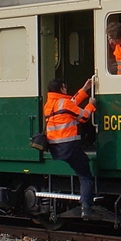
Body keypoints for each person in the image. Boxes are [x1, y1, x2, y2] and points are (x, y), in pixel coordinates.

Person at [43, 77, 97, 217]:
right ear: (61, 88)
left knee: (80, 170)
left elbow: (71, 104)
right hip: (69, 147)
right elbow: (84, 117)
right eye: (65, 87)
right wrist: (91, 105)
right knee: (86, 176)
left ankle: (85, 202)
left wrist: (84, 89)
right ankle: (86, 206)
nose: (66, 89)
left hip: (56, 148)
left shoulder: (49, 104)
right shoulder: (65, 104)